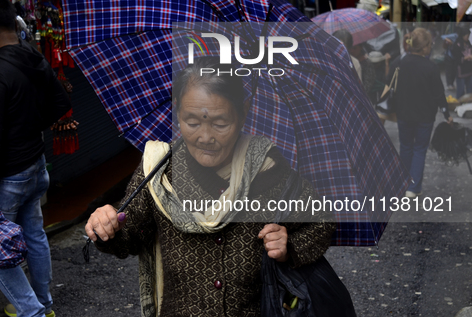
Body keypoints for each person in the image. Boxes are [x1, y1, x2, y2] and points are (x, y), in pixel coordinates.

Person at [85, 57, 341, 316]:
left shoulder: (269, 170)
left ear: (243, 112)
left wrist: (290, 247)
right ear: (177, 110)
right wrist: (107, 227)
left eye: (220, 124)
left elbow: (321, 221)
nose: (205, 137)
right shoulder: (159, 172)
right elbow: (129, 238)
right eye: (192, 122)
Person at [0, 0, 71, 317]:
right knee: (34, 233)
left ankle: (33, 312)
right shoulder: (33, 57)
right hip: (35, 166)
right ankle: (44, 304)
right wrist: (29, 127)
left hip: (10, 176)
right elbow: (61, 102)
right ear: (14, 25)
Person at [387, 28, 452, 199]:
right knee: (420, 149)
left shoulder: (398, 63)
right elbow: (439, 93)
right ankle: (414, 187)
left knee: (406, 147)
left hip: (404, 113)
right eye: (429, 44)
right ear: (423, 47)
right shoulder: (431, 67)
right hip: (425, 116)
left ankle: (403, 184)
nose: (430, 47)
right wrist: (446, 114)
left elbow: (389, 84)